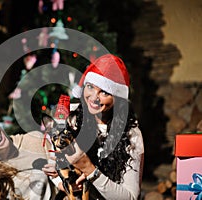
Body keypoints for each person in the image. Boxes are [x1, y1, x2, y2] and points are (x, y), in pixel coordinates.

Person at [42, 53, 144, 199]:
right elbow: (51, 152)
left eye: (104, 92)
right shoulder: (71, 116)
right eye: (90, 87)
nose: (94, 97)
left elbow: (130, 197)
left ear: (118, 98)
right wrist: (60, 180)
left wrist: (89, 170)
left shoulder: (132, 135)